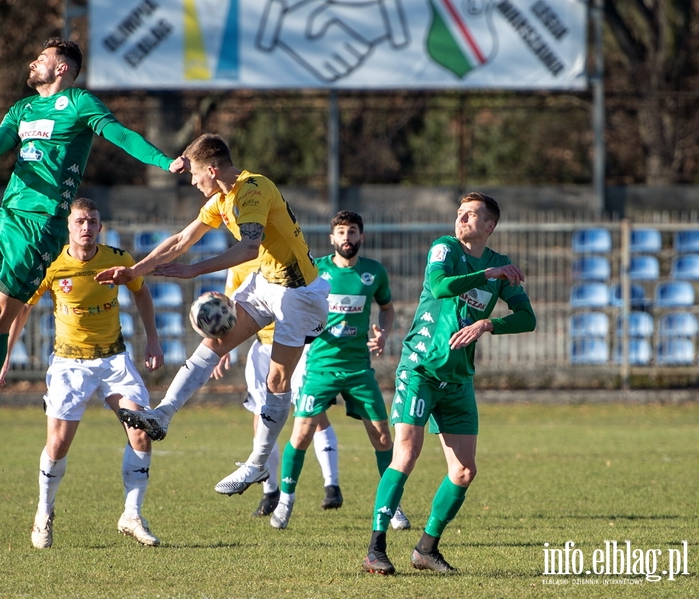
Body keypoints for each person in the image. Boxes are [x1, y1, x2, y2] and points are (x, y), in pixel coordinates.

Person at [0, 37, 186, 445]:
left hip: (42, 226)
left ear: (62, 68)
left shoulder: (80, 103)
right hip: (6, 218)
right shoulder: (23, 109)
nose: (33, 63)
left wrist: (163, 160)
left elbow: (122, 135)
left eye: (41, 58)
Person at [96, 133, 330, 497]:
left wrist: (194, 270)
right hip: (267, 282)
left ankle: (257, 464)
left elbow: (250, 245)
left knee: (276, 383)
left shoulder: (252, 189)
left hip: (299, 294)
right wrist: (135, 270)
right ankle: (162, 414)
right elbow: (180, 241)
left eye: (193, 174)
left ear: (212, 168)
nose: (192, 182)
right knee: (213, 344)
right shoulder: (221, 199)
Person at [362, 192, 536, 575]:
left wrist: (488, 324)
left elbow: (527, 318)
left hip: (457, 378)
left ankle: (426, 547)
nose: (462, 219)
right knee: (406, 454)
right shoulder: (445, 249)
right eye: (459, 213)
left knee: (464, 471)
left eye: (471, 214)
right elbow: (440, 286)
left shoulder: (499, 264)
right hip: (421, 368)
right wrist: (488, 276)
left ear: (489, 226)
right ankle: (375, 548)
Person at [0, 197, 165, 548]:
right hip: (70, 363)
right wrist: (6, 353)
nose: (86, 227)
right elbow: (24, 310)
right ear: (69, 227)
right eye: (80, 222)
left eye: (92, 221)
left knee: (141, 431)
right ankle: (43, 514)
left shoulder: (119, 259)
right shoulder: (53, 264)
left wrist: (153, 340)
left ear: (100, 226)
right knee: (57, 444)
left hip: (114, 359)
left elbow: (142, 295)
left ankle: (132, 515)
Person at [270, 210, 409, 531]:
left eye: (353, 232)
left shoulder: (374, 273)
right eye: (341, 232)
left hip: (359, 368)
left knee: (384, 437)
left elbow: (387, 309)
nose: (347, 238)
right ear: (332, 238)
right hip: (320, 366)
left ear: (362, 237)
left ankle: (393, 505)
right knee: (302, 433)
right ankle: (285, 502)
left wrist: (384, 333)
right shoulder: (315, 270)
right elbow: (290, 302)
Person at [214, 259, 326, 518]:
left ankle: (330, 486)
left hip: (298, 346)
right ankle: (271, 491)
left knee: (312, 417)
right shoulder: (238, 263)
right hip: (262, 347)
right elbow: (230, 309)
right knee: (260, 419)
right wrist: (223, 345)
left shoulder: (289, 255)